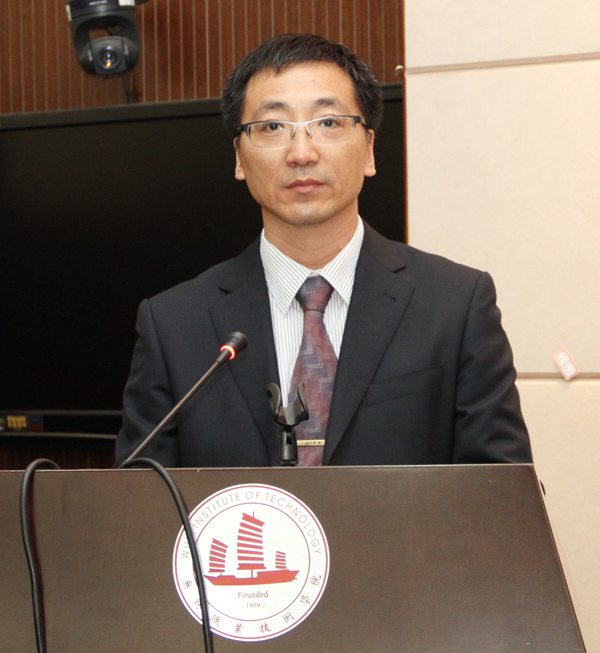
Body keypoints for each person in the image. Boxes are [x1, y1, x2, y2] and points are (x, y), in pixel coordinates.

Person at [115, 33, 532, 468]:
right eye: (272, 127)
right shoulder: (174, 325)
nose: (301, 153)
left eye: (328, 123)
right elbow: (140, 498)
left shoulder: (455, 305)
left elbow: (503, 492)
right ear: (238, 158)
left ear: (369, 150)